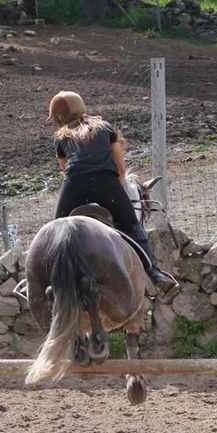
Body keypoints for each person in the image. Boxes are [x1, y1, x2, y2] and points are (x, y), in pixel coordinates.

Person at [48, 90, 174, 288]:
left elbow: (65, 171)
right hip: (105, 183)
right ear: (81, 107)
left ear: (57, 118)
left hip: (75, 186)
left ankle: (45, 280)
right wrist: (118, 192)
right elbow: (121, 169)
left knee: (56, 231)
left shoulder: (60, 138)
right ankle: (153, 272)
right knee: (132, 226)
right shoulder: (105, 128)